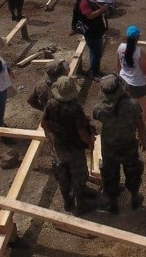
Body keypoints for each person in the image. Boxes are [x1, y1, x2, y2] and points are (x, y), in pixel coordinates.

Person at [41, 76, 97, 214]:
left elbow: (44, 124)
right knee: (78, 174)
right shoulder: (74, 108)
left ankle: (68, 202)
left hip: (58, 148)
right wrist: (89, 143)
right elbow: (82, 132)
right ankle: (81, 205)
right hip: (74, 148)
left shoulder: (50, 104)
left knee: (62, 175)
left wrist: (55, 135)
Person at [94, 75, 146, 213]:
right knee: (133, 172)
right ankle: (134, 198)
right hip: (128, 145)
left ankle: (112, 203)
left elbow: (97, 116)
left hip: (109, 147)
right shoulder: (133, 105)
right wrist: (143, 139)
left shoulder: (99, 108)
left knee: (110, 174)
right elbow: (140, 124)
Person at [117, 26, 146, 124]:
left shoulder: (120, 47)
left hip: (124, 82)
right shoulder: (139, 52)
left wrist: (120, 77)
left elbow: (118, 65)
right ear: (137, 38)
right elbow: (145, 69)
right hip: (138, 84)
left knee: (126, 107)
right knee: (142, 110)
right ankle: (141, 132)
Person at [79, 0, 108, 78]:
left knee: (95, 52)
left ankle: (94, 70)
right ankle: (94, 73)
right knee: (96, 53)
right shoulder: (84, 3)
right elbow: (90, 16)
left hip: (96, 32)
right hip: (92, 34)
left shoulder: (91, 1)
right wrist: (101, 10)